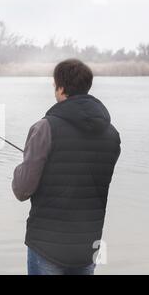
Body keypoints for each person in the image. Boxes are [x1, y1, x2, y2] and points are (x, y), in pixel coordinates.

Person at [12, 59, 121, 275]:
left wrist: (22, 166)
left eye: (54, 86)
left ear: (61, 87)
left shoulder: (45, 128)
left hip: (47, 244)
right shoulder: (112, 135)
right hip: (87, 244)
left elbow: (22, 189)